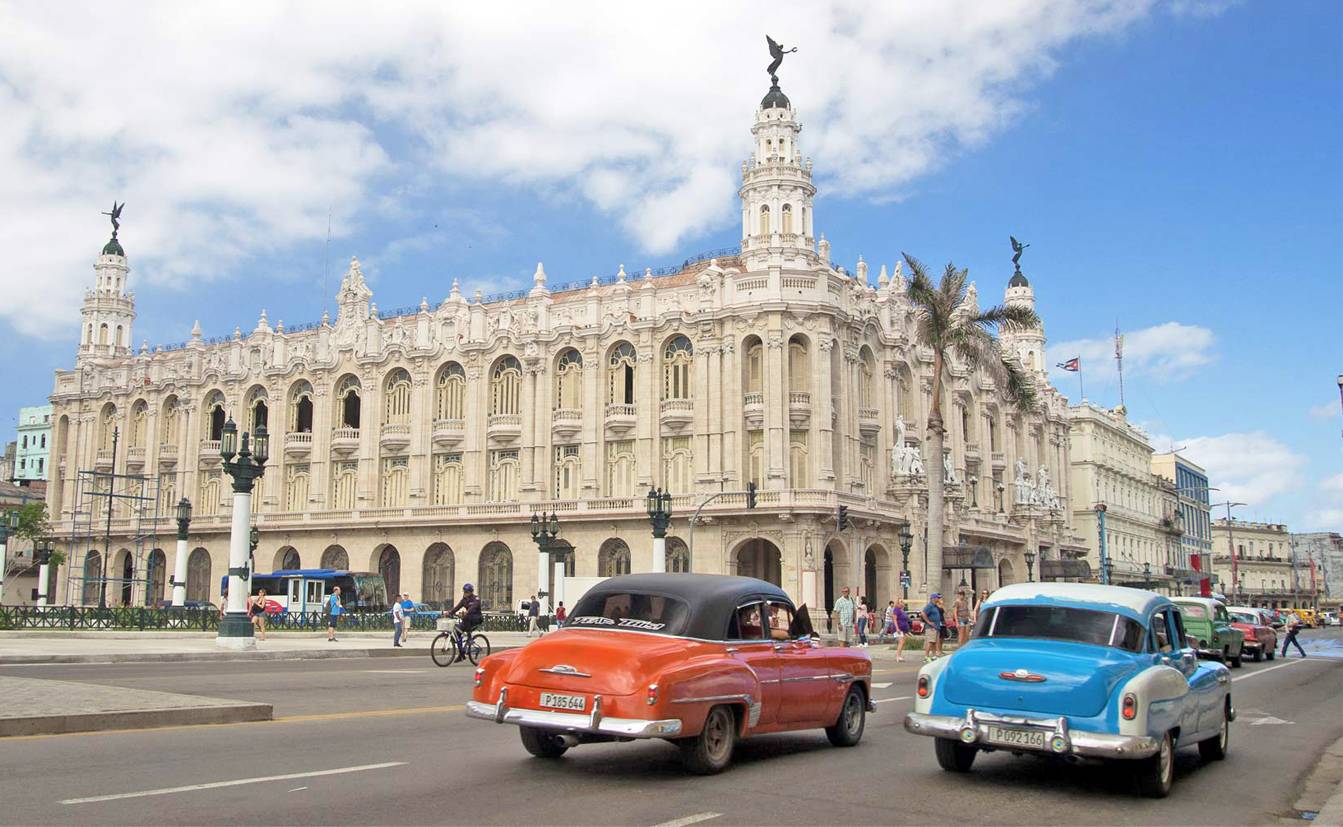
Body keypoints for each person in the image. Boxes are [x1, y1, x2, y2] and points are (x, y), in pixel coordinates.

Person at [448, 583, 484, 663]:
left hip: (476, 618)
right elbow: (457, 607)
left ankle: (470, 638)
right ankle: (461, 654)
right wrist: (449, 612)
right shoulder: (464, 600)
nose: (465, 593)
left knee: (466, 617)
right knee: (457, 632)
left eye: (467, 592)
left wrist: (466, 612)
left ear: (471, 592)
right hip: (468, 620)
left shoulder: (476, 599)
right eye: (464, 591)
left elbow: (473, 607)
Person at [923, 593, 944, 661]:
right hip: (931, 627)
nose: (938, 599)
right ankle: (926, 656)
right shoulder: (929, 606)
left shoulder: (935, 606)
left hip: (936, 627)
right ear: (933, 598)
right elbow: (923, 613)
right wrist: (928, 622)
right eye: (937, 598)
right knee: (930, 641)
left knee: (935, 642)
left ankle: (934, 655)